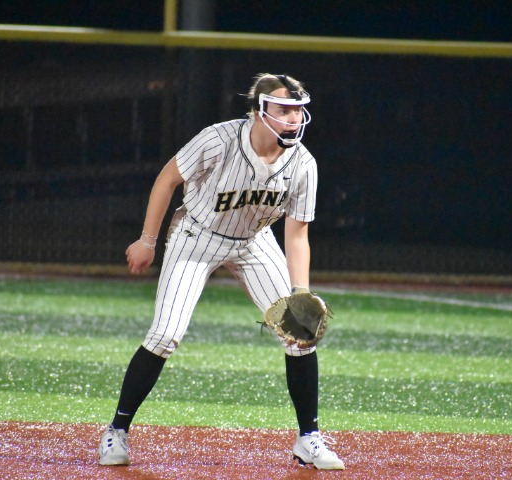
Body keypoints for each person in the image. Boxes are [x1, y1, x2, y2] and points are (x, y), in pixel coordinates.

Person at [97, 73, 345, 470]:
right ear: (259, 111)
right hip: (196, 235)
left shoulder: (303, 163)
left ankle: (308, 438)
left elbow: (297, 234)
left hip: (254, 241)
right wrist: (147, 240)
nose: (294, 119)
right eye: (284, 110)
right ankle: (117, 430)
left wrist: (300, 291)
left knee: (300, 332)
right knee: (164, 335)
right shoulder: (220, 139)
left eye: (298, 111)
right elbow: (167, 179)